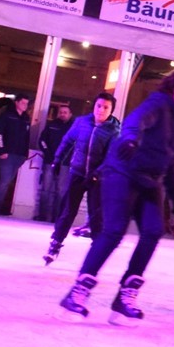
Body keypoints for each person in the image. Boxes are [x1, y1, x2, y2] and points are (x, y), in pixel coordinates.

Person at [59, 69, 174, 324]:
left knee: (153, 231)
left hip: (150, 180)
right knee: (114, 230)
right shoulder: (158, 103)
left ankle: (124, 297)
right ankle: (77, 292)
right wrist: (131, 139)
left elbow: (172, 162)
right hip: (123, 171)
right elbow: (137, 120)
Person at [44, 92, 120, 265]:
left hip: (97, 179)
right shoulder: (82, 122)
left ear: (111, 110)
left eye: (106, 107)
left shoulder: (114, 131)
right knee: (67, 210)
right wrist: (57, 159)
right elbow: (67, 141)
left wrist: (98, 173)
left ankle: (96, 253)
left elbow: (111, 157)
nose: (101, 110)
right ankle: (55, 244)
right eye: (98, 106)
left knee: (96, 216)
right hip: (77, 173)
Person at [0, 95, 32, 215]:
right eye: (23, 103)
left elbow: (26, 137)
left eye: (26, 104)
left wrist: (25, 153)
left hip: (19, 154)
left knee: (8, 181)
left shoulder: (25, 118)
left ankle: (1, 206)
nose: (25, 106)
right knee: (4, 180)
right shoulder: (7, 115)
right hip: (7, 153)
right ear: (17, 103)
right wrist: (1, 150)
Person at [33, 101, 72, 222]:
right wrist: (47, 153)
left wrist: (69, 158)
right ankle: (42, 216)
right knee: (45, 189)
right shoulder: (51, 125)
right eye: (61, 112)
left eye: (65, 112)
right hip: (50, 161)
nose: (62, 114)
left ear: (70, 114)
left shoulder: (73, 128)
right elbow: (42, 140)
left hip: (65, 164)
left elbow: (76, 145)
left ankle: (57, 218)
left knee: (60, 191)